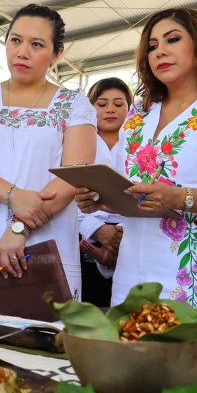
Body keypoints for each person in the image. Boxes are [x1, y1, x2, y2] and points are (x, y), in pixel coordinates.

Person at [77, 8, 197, 320]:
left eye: (172, 39)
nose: (160, 51)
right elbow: (129, 192)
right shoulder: (137, 114)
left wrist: (180, 197)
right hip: (134, 277)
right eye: (152, 46)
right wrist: (99, 199)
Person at [0, 4, 97, 304]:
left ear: (57, 54)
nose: (22, 52)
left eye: (36, 44)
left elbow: (73, 175)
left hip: (42, 243)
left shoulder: (74, 104)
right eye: (15, 40)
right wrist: (14, 196)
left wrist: (19, 227)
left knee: (39, 343)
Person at [77, 77, 131, 307]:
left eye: (119, 104)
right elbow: (69, 194)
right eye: (102, 104)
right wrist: (97, 231)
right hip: (83, 241)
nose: (110, 109)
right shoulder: (76, 142)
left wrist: (120, 236)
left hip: (131, 238)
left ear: (130, 109)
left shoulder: (140, 144)